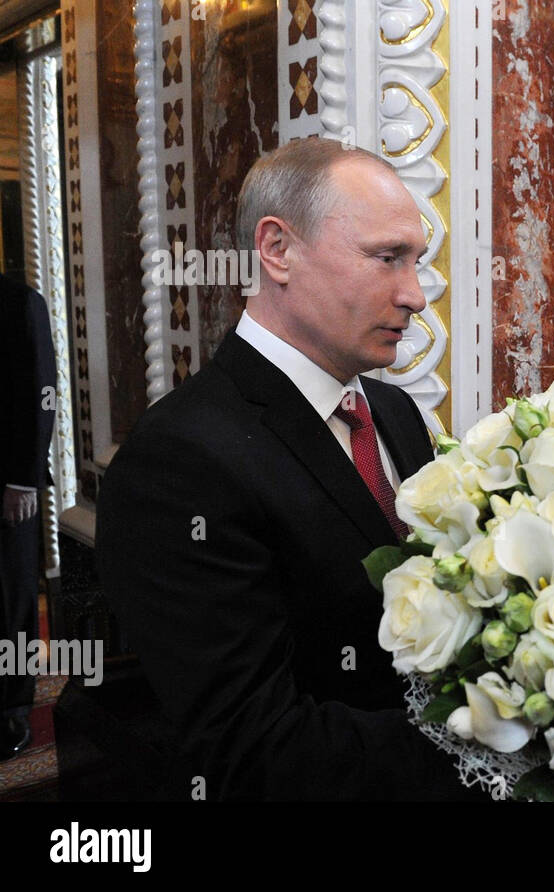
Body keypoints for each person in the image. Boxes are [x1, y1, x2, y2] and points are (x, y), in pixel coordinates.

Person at [97, 137, 480, 800]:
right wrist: (501, 748)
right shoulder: (179, 461)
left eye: (416, 262)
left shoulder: (392, 413)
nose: (416, 296)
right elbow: (251, 747)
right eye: (388, 259)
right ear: (277, 250)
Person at [1, 272, 57, 761]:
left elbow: (42, 388)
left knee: (10, 601)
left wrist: (23, 478)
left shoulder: (19, 301)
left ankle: (12, 710)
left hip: (6, 488)